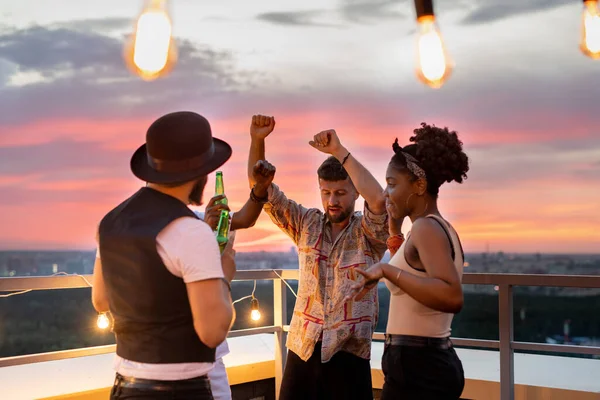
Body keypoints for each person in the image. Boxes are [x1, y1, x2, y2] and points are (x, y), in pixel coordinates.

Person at [92, 111, 236, 400]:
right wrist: (224, 274)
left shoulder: (110, 222)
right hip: (180, 390)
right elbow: (213, 331)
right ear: (201, 174)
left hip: (125, 386)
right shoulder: (190, 231)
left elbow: (101, 301)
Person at [248, 115, 390, 400]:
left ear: (355, 193)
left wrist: (339, 150)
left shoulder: (369, 233)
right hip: (303, 348)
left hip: (348, 354)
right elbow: (262, 190)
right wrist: (257, 140)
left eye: (340, 193)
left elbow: (379, 201)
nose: (332, 201)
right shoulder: (307, 223)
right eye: (326, 193)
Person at [346, 123, 469, 399]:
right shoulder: (438, 227)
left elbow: (452, 296)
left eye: (392, 184)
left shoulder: (426, 228)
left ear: (420, 186)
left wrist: (387, 270)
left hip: (419, 366)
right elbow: (415, 266)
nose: (386, 193)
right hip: (421, 361)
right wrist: (393, 232)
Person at [193, 160, 276, 400]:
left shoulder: (200, 218)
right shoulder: (184, 227)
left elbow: (245, 219)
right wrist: (224, 278)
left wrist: (260, 188)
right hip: (182, 356)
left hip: (212, 355)